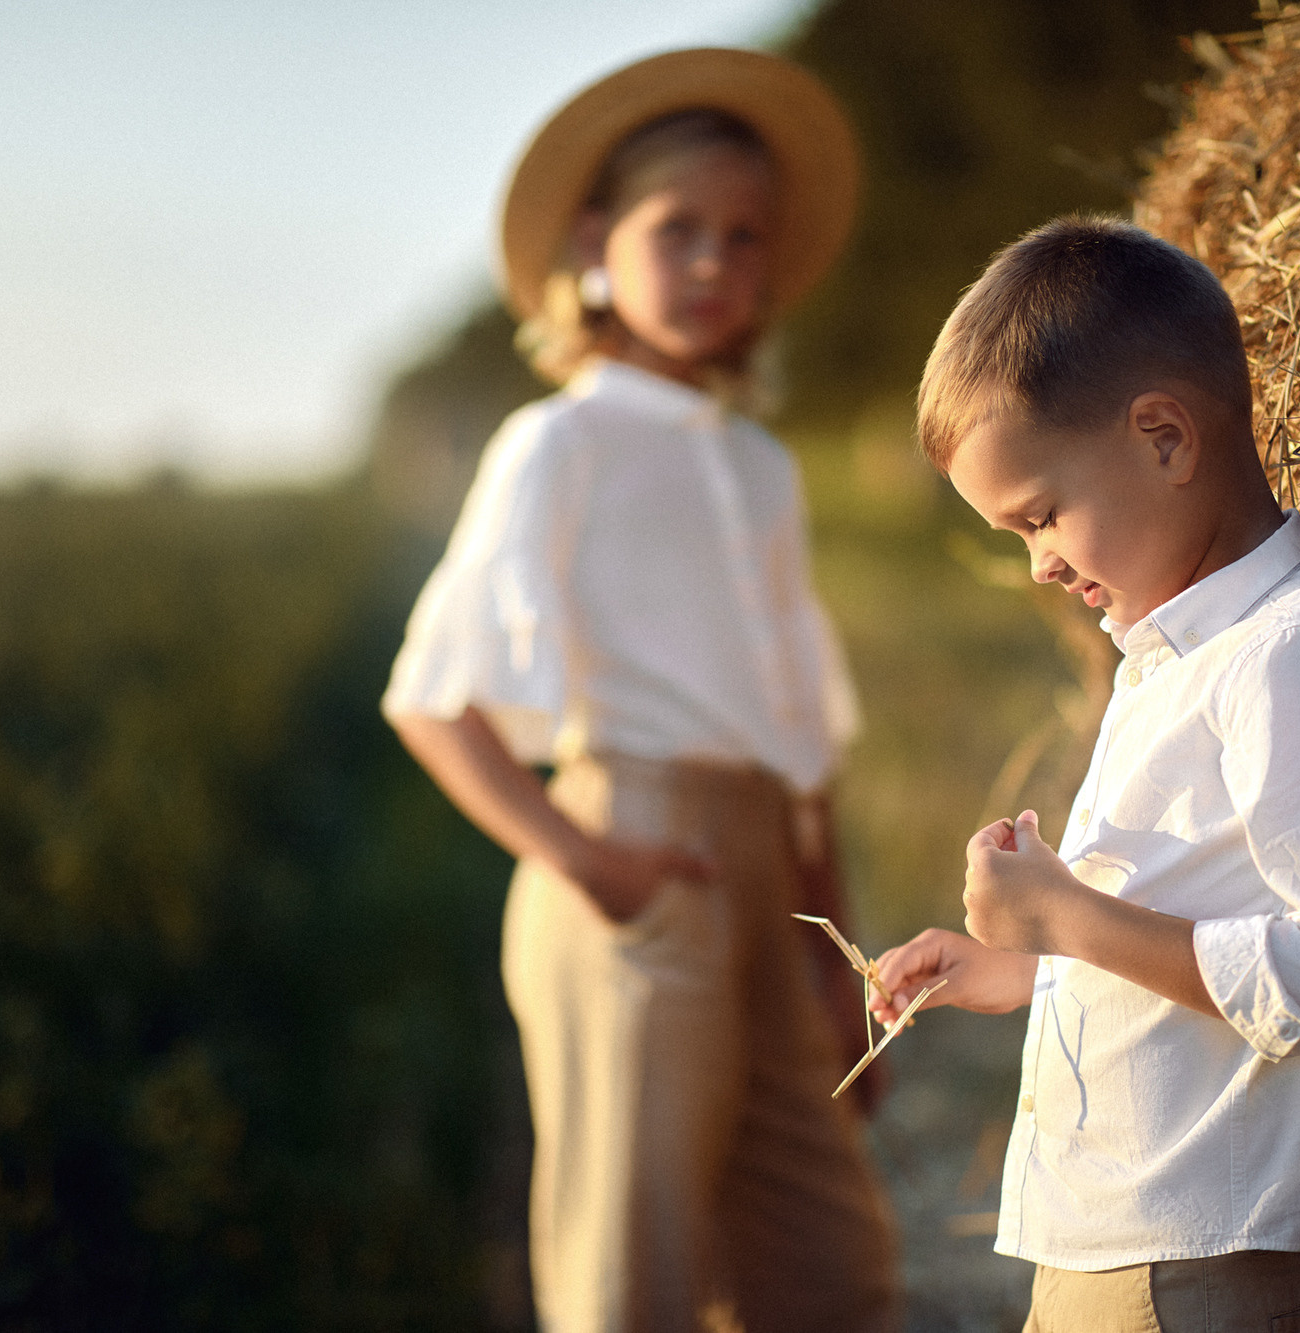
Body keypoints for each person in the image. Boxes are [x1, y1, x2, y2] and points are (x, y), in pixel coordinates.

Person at [380, 48, 899, 1333]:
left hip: (774, 883)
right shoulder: (557, 442)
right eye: (682, 230)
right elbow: (431, 699)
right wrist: (583, 858)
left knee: (829, 1263)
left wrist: (836, 956)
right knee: (636, 1258)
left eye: (745, 237)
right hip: (633, 855)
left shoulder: (763, 468)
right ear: (598, 244)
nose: (717, 262)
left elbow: (797, 740)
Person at [867, 216, 1300, 1333]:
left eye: (1040, 516)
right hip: (1119, 1250)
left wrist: (1065, 917)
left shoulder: (1284, 648)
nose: (1037, 563)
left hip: (1188, 1270)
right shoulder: (1167, 653)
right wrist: (1018, 967)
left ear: (1162, 437)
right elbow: (1183, 936)